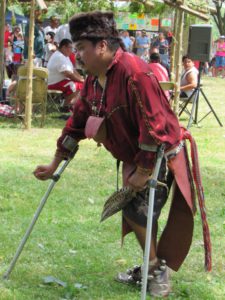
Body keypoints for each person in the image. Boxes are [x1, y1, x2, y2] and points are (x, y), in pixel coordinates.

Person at [34, 11, 211, 298]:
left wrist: (141, 172)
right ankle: (151, 266)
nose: (78, 56)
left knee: (136, 209)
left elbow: (154, 128)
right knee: (140, 213)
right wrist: (55, 161)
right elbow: (77, 120)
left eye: (82, 48)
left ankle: (156, 271)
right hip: (137, 156)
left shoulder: (135, 73)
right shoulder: (94, 78)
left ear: (101, 45)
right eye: (76, 49)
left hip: (161, 153)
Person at [47, 38, 84, 106]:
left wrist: (82, 79)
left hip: (59, 82)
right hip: (52, 83)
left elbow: (73, 70)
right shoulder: (59, 57)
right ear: (64, 47)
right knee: (74, 85)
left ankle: (70, 104)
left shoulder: (64, 56)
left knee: (80, 84)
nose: (72, 50)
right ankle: (65, 106)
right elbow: (68, 74)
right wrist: (82, 81)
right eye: (71, 48)